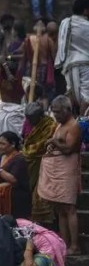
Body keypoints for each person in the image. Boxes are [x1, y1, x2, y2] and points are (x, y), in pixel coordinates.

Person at [38, 95, 81, 255]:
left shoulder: (73, 125)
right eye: (54, 112)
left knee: (69, 207)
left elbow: (69, 148)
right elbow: (58, 145)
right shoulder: (59, 125)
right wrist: (51, 146)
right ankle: (64, 243)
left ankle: (75, 246)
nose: (56, 115)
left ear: (67, 110)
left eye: (58, 112)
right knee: (59, 208)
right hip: (57, 169)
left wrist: (53, 142)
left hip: (67, 170)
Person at [22, 102, 56, 224]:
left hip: (44, 163)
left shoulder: (50, 126)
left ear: (40, 117)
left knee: (40, 196)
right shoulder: (34, 124)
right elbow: (26, 141)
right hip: (32, 165)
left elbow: (39, 147)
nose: (30, 121)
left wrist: (25, 152)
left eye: (32, 119)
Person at [56, 0, 89, 114]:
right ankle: (82, 125)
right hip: (85, 64)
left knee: (70, 94)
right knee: (86, 97)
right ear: (85, 11)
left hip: (69, 64)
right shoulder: (87, 26)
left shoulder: (65, 23)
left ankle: (69, 123)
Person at [0, 131, 31, 219]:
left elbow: (13, 179)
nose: (0, 146)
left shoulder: (19, 159)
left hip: (16, 199)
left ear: (13, 144)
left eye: (3, 144)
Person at [21, 21, 56, 107]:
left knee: (31, 91)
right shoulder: (48, 39)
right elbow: (54, 56)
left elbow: (24, 56)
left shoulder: (28, 39)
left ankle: (30, 108)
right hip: (45, 70)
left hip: (31, 69)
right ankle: (43, 111)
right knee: (44, 94)